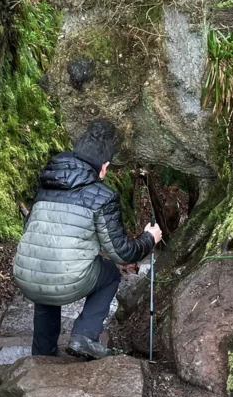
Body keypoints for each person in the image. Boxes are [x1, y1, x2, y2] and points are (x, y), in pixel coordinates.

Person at [13, 119, 162, 359]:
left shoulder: (45, 183)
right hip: (65, 278)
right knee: (110, 273)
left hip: (26, 276)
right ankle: (84, 335)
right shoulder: (102, 196)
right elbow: (122, 254)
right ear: (103, 167)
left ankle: (42, 354)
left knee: (46, 273)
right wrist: (149, 237)